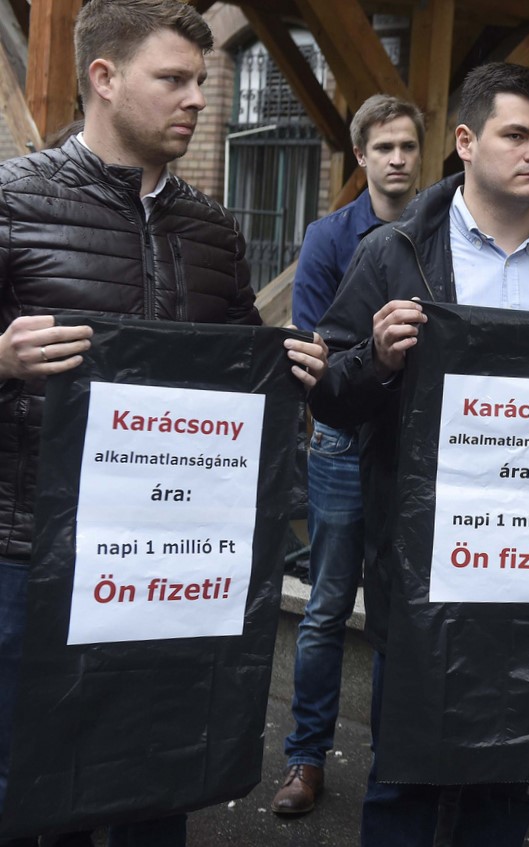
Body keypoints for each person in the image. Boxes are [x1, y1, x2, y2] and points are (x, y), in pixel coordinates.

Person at [308, 62, 529, 846]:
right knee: (403, 768)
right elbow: (331, 394)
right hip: (421, 561)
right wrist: (375, 356)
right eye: (516, 134)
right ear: (467, 143)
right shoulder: (393, 252)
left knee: (508, 775)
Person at [0, 1, 327, 845]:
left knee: (154, 783)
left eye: (201, 82)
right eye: (173, 80)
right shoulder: (10, 203)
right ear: (104, 80)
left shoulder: (214, 231)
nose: (193, 99)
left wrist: (323, 368)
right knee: (32, 795)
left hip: (168, 568)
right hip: (30, 560)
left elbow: (246, 380)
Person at [272, 93, 426, 817]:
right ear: (360, 156)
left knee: (417, 607)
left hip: (416, 448)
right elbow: (313, 352)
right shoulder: (331, 237)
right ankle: (305, 759)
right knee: (329, 606)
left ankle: (405, 767)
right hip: (340, 444)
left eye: (407, 147)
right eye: (383, 148)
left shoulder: (439, 236)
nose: (397, 159)